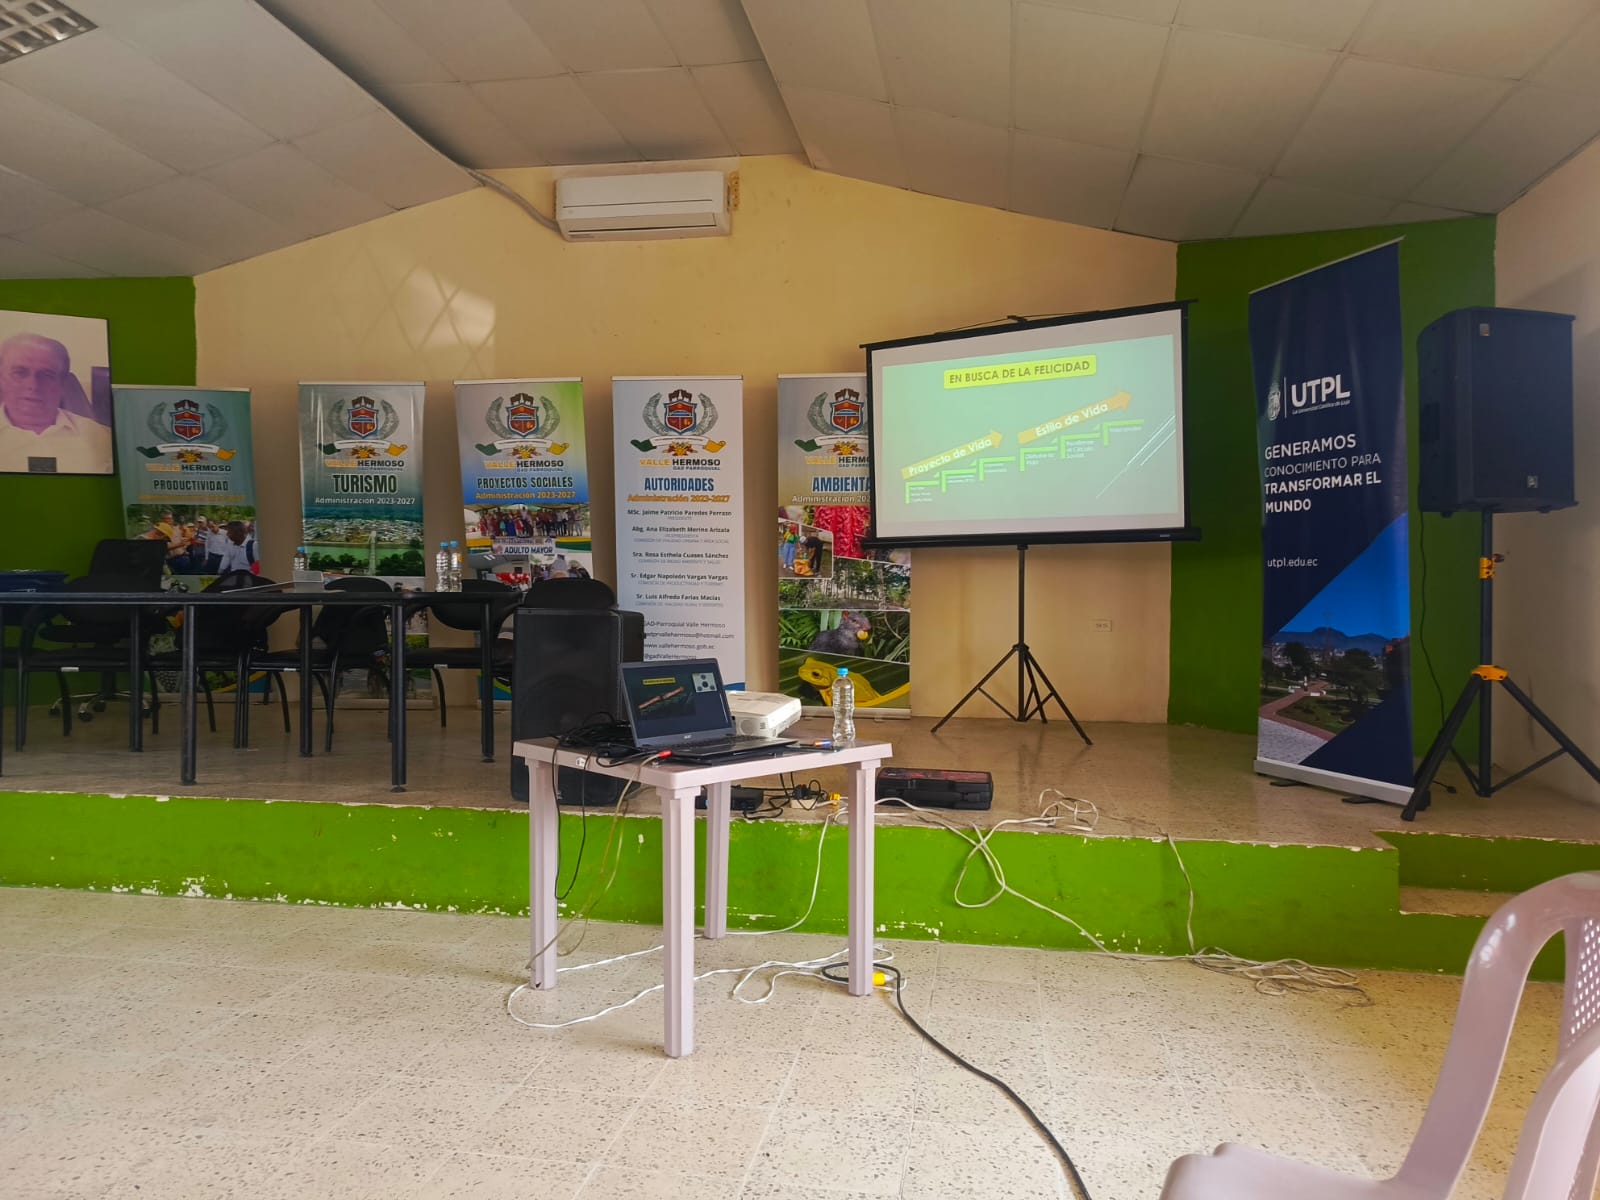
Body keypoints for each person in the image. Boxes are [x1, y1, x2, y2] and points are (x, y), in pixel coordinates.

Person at [0, 333, 112, 474]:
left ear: (62, 383)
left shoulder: (102, 439)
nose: (33, 385)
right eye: (19, 373)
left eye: (46, 375)